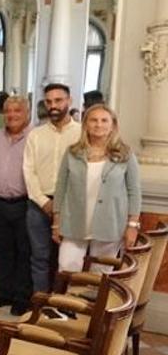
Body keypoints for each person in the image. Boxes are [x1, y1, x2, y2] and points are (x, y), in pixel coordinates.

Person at [52, 105, 141, 272]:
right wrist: (56, 223)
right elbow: (61, 188)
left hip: (110, 225)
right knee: (66, 268)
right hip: (73, 223)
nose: (98, 125)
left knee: (100, 275)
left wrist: (132, 225)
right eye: (93, 120)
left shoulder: (125, 154)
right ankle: (70, 299)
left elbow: (134, 192)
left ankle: (93, 299)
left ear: (112, 125)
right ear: (85, 124)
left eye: (104, 120)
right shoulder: (72, 153)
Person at [22, 83, 81, 293]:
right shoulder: (36, 135)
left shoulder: (82, 134)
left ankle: (62, 306)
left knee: (68, 260)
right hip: (39, 205)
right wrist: (44, 201)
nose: (53, 105)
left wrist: (61, 205)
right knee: (39, 257)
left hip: (71, 206)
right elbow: (29, 171)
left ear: (69, 101)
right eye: (49, 101)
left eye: (58, 100)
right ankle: (40, 305)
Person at [0, 96, 33, 316]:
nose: (12, 115)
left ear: (27, 113)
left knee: (24, 252)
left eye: (17, 111)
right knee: (2, 250)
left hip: (24, 203)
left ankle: (21, 297)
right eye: (8, 111)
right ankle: (3, 292)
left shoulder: (34, 137)